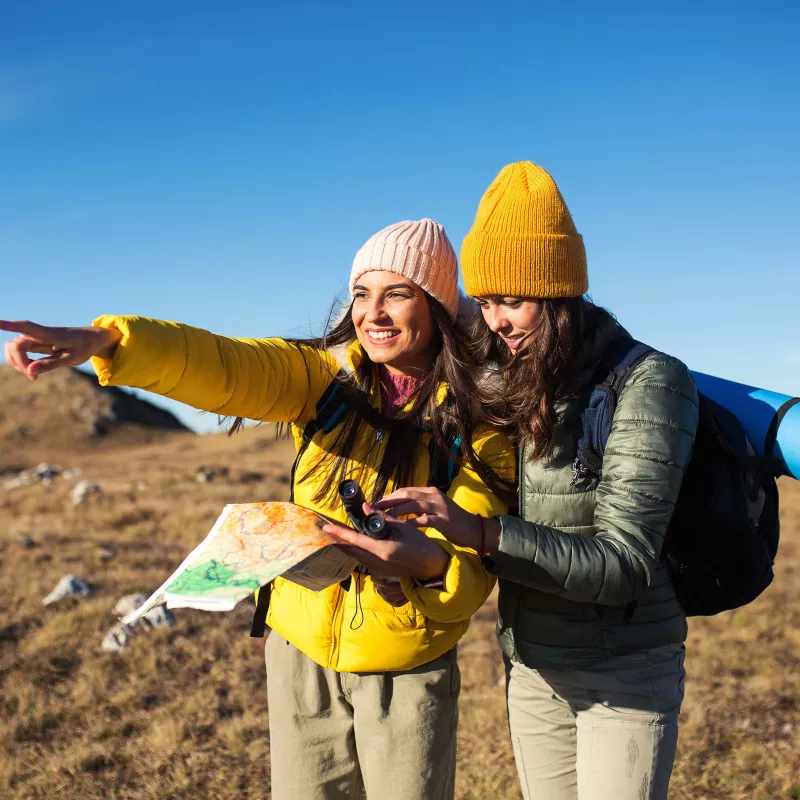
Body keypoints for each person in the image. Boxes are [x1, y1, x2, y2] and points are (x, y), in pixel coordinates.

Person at [1, 218, 514, 800]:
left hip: (404, 665)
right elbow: (223, 363)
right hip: (296, 655)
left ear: (439, 305)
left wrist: (426, 565)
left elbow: (476, 560)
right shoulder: (323, 380)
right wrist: (113, 342)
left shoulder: (480, 423)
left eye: (397, 293)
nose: (374, 313)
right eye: (362, 294)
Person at [333, 164, 699, 800]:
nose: (495, 322)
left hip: (625, 672)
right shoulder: (510, 383)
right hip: (531, 667)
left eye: (514, 301)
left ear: (561, 299)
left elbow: (624, 565)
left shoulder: (650, 384)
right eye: (486, 301)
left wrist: (478, 531)